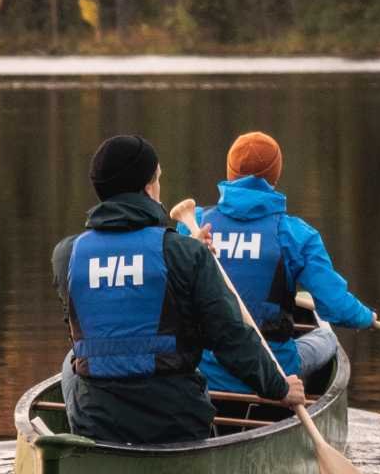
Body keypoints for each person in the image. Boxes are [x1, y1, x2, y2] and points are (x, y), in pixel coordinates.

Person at [51, 132, 305, 445]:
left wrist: (187, 254)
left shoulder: (67, 255)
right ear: (147, 187)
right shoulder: (183, 254)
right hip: (174, 422)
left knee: (72, 358)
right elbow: (230, 336)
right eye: (157, 179)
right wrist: (279, 387)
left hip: (98, 421)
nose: (159, 188)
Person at [181, 130, 374, 393]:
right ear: (275, 176)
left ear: (229, 173)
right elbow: (337, 308)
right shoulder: (296, 234)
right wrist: (365, 317)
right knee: (328, 338)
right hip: (275, 368)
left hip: (205, 369)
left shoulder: (194, 225)